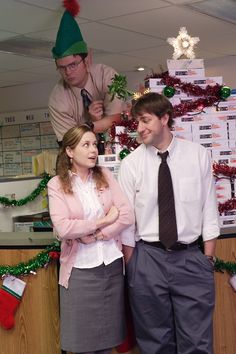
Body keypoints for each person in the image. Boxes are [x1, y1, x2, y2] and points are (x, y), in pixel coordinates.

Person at [118, 92, 220, 354]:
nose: (139, 128)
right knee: (155, 343)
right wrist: (133, 263)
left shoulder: (197, 155)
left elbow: (208, 208)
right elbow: (127, 222)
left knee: (197, 343)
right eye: (137, 122)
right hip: (147, 260)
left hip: (190, 259)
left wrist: (207, 258)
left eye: (145, 120)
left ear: (165, 118)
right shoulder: (131, 164)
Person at [47, 124, 135, 354]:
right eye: (85, 145)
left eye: (94, 144)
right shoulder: (56, 184)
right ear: (69, 151)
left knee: (108, 343)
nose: (93, 150)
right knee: (82, 344)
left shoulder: (104, 175)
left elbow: (126, 214)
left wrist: (98, 235)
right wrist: (103, 221)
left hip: (111, 267)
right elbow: (64, 228)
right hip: (79, 273)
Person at [49, 0, 123, 144]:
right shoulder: (57, 99)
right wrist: (96, 124)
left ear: (87, 60)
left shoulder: (107, 75)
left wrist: (91, 125)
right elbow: (69, 142)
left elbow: (118, 118)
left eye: (73, 65)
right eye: (62, 68)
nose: (68, 72)